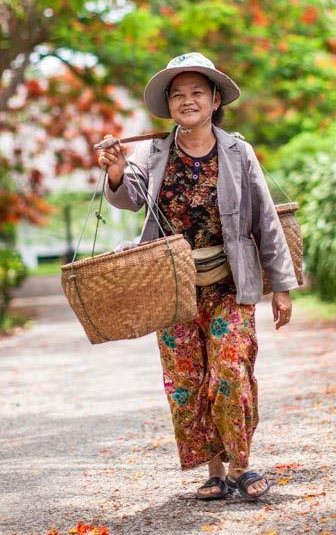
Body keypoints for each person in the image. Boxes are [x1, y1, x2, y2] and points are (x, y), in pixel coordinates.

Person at [96, 52, 299, 502]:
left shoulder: (237, 151)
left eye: (196, 93)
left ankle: (242, 467)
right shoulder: (152, 153)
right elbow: (128, 197)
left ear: (213, 100)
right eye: (178, 94)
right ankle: (214, 472)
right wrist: (114, 169)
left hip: (230, 286)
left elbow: (266, 220)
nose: (187, 101)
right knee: (188, 383)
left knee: (229, 373)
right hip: (173, 291)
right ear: (168, 105)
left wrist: (281, 287)